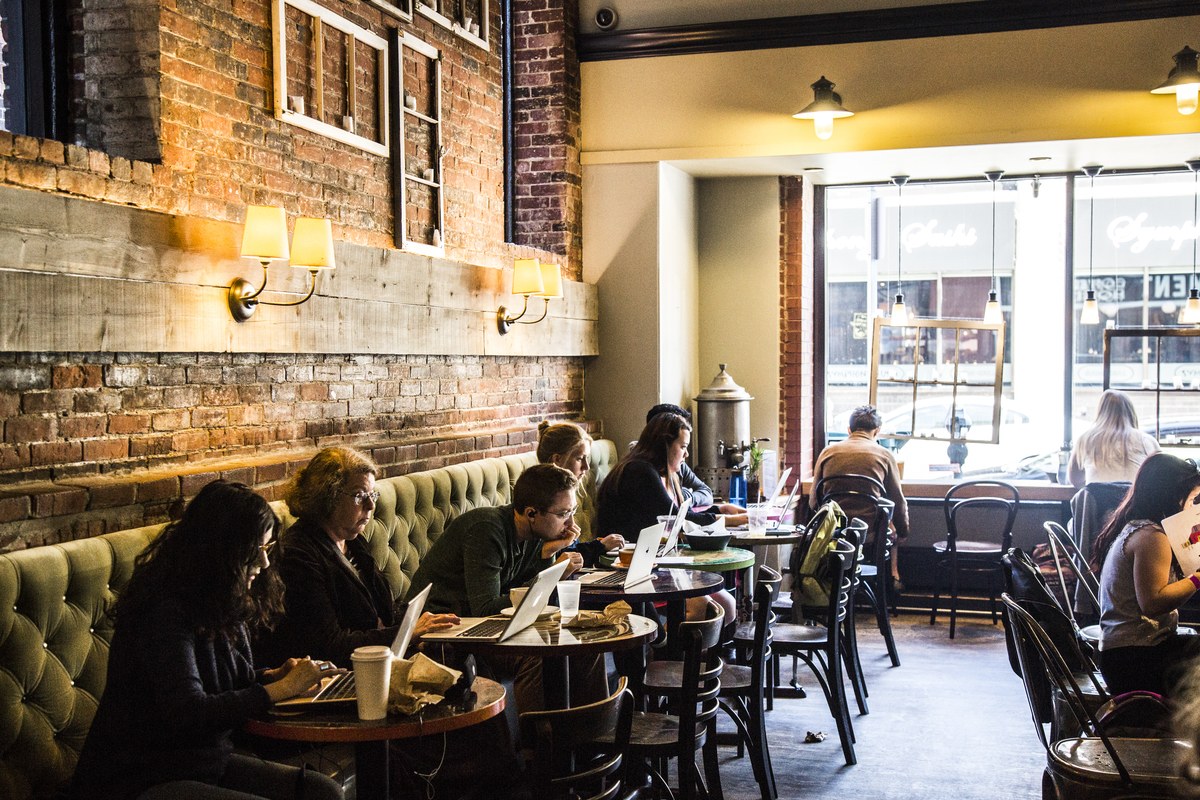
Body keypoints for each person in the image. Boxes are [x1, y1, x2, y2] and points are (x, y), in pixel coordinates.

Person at [71, 480, 344, 800]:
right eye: (255, 549)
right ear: (220, 549)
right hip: (140, 778)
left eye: (267, 548)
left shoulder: (217, 601)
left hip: (203, 764)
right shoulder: (163, 611)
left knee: (323, 792)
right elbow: (189, 711)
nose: (265, 562)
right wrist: (280, 690)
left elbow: (217, 683)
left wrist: (272, 675)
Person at [407, 463, 603, 712]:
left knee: (584, 645)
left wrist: (550, 555)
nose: (571, 523)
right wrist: (553, 574)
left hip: (485, 627)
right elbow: (486, 608)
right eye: (563, 514)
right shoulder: (487, 530)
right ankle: (537, 743)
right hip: (443, 631)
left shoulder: (536, 536)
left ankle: (593, 736)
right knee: (534, 654)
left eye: (572, 511)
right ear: (531, 513)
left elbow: (539, 601)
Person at [253, 447, 459, 668]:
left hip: (382, 661)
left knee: (457, 656)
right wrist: (406, 633)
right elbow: (330, 646)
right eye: (360, 495)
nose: (371, 506)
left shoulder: (353, 542)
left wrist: (421, 625)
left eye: (373, 495)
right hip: (341, 675)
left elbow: (385, 612)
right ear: (327, 496)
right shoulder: (298, 556)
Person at [596, 412, 741, 621]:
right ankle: (666, 648)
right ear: (664, 444)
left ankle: (687, 650)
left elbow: (680, 515)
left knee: (727, 603)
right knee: (704, 606)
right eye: (683, 447)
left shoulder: (662, 473)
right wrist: (731, 520)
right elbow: (677, 519)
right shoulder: (639, 471)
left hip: (650, 564)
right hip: (627, 570)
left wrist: (721, 511)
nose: (686, 454)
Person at [1092, 453, 1200, 696]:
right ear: (1173, 497)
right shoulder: (1152, 537)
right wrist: (1197, 578)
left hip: (1123, 653)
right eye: (1192, 500)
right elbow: (1152, 603)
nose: (1193, 508)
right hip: (1135, 661)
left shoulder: (1137, 527)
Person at [809, 404, 910, 590]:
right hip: (870, 534)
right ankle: (889, 583)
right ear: (877, 431)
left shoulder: (828, 452)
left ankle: (838, 593)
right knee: (892, 529)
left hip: (833, 532)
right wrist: (903, 531)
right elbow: (898, 502)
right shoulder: (885, 455)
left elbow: (813, 501)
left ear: (849, 430)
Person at [536, 420, 625, 565]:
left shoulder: (563, 492)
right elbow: (559, 557)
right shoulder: (543, 498)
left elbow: (570, 550)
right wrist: (599, 547)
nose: (586, 466)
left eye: (587, 458)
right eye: (579, 458)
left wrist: (599, 544)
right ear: (557, 459)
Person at [643, 403, 745, 515]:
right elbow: (676, 516)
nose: (686, 454)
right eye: (682, 446)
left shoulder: (676, 467)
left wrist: (684, 497)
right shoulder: (644, 470)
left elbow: (706, 493)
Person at [1068, 389, 1159, 488]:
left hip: (1097, 502)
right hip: (1134, 502)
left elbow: (1075, 480)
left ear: (1100, 412)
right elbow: (1161, 477)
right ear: (1130, 413)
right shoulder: (1146, 440)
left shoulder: (1086, 439)